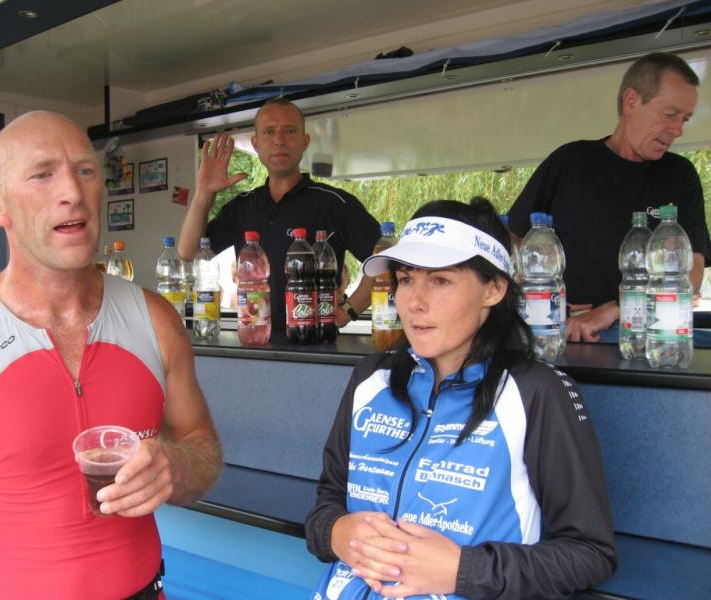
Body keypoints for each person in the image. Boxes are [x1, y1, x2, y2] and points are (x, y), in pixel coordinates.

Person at [0, 111, 222, 599]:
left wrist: (174, 466)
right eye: (43, 174)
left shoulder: (155, 319)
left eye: (85, 170)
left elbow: (201, 445)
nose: (72, 192)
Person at [306, 198, 617, 599]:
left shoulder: (535, 392)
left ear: (494, 289)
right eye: (406, 279)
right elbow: (327, 503)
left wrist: (464, 571)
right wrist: (335, 532)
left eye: (440, 281)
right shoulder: (371, 379)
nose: (413, 302)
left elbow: (590, 553)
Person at [508, 52, 711, 343]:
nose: (678, 130)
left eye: (685, 119)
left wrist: (615, 309)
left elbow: (691, 273)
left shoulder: (680, 174)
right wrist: (541, 300)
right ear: (631, 101)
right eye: (670, 115)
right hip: (565, 334)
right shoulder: (571, 161)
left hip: (651, 336)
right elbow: (512, 240)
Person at [178, 98, 381, 333]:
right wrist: (204, 192)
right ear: (256, 144)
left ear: (305, 142)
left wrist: (348, 311)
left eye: (290, 130)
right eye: (269, 132)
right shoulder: (241, 208)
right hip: (254, 339)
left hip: (315, 343)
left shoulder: (333, 204)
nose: (279, 140)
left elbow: (388, 260)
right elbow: (188, 252)